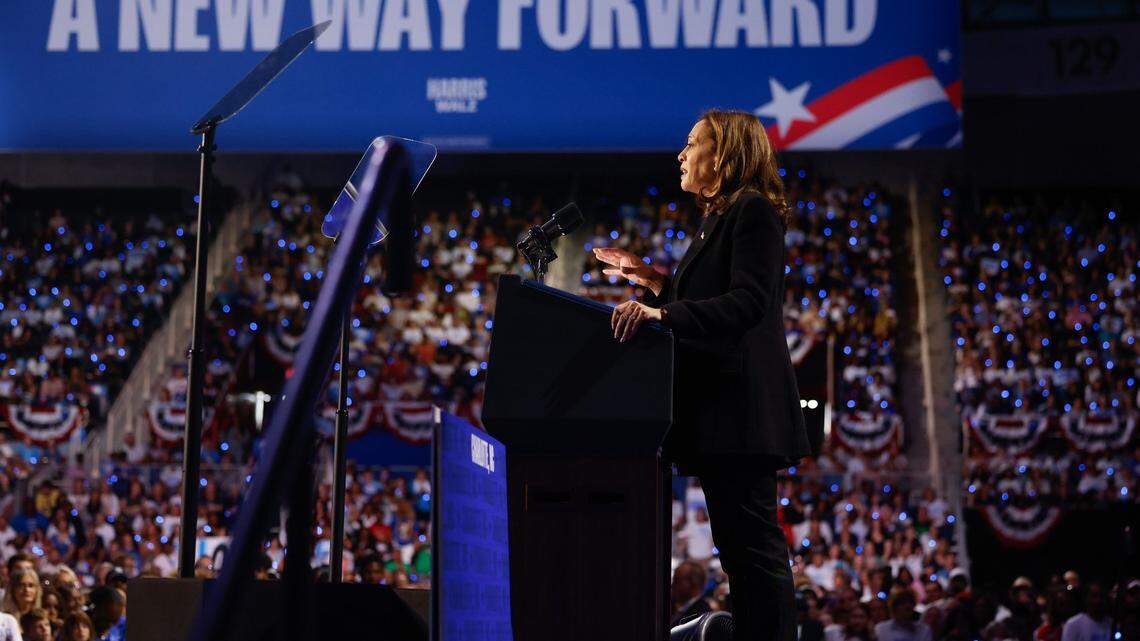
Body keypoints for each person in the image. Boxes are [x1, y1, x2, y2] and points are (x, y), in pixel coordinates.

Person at [595, 109, 821, 641]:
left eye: (692, 143)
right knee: (740, 553)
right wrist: (650, 280)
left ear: (722, 155)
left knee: (754, 550)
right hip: (722, 414)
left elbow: (746, 303)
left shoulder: (754, 211)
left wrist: (661, 314)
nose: (681, 153)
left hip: (742, 411)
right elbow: (704, 299)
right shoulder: (719, 217)